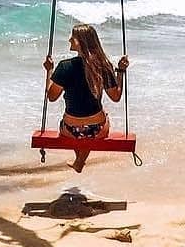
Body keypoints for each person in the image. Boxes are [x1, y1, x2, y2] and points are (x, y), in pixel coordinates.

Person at [43, 23, 128, 173]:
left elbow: (51, 97)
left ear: (80, 42)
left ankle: (79, 161)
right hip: (98, 129)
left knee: (78, 131)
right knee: (97, 124)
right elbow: (116, 96)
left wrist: (49, 71)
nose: (69, 40)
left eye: (73, 37)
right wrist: (120, 71)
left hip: (70, 130)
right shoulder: (104, 65)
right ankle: (79, 162)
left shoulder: (65, 66)